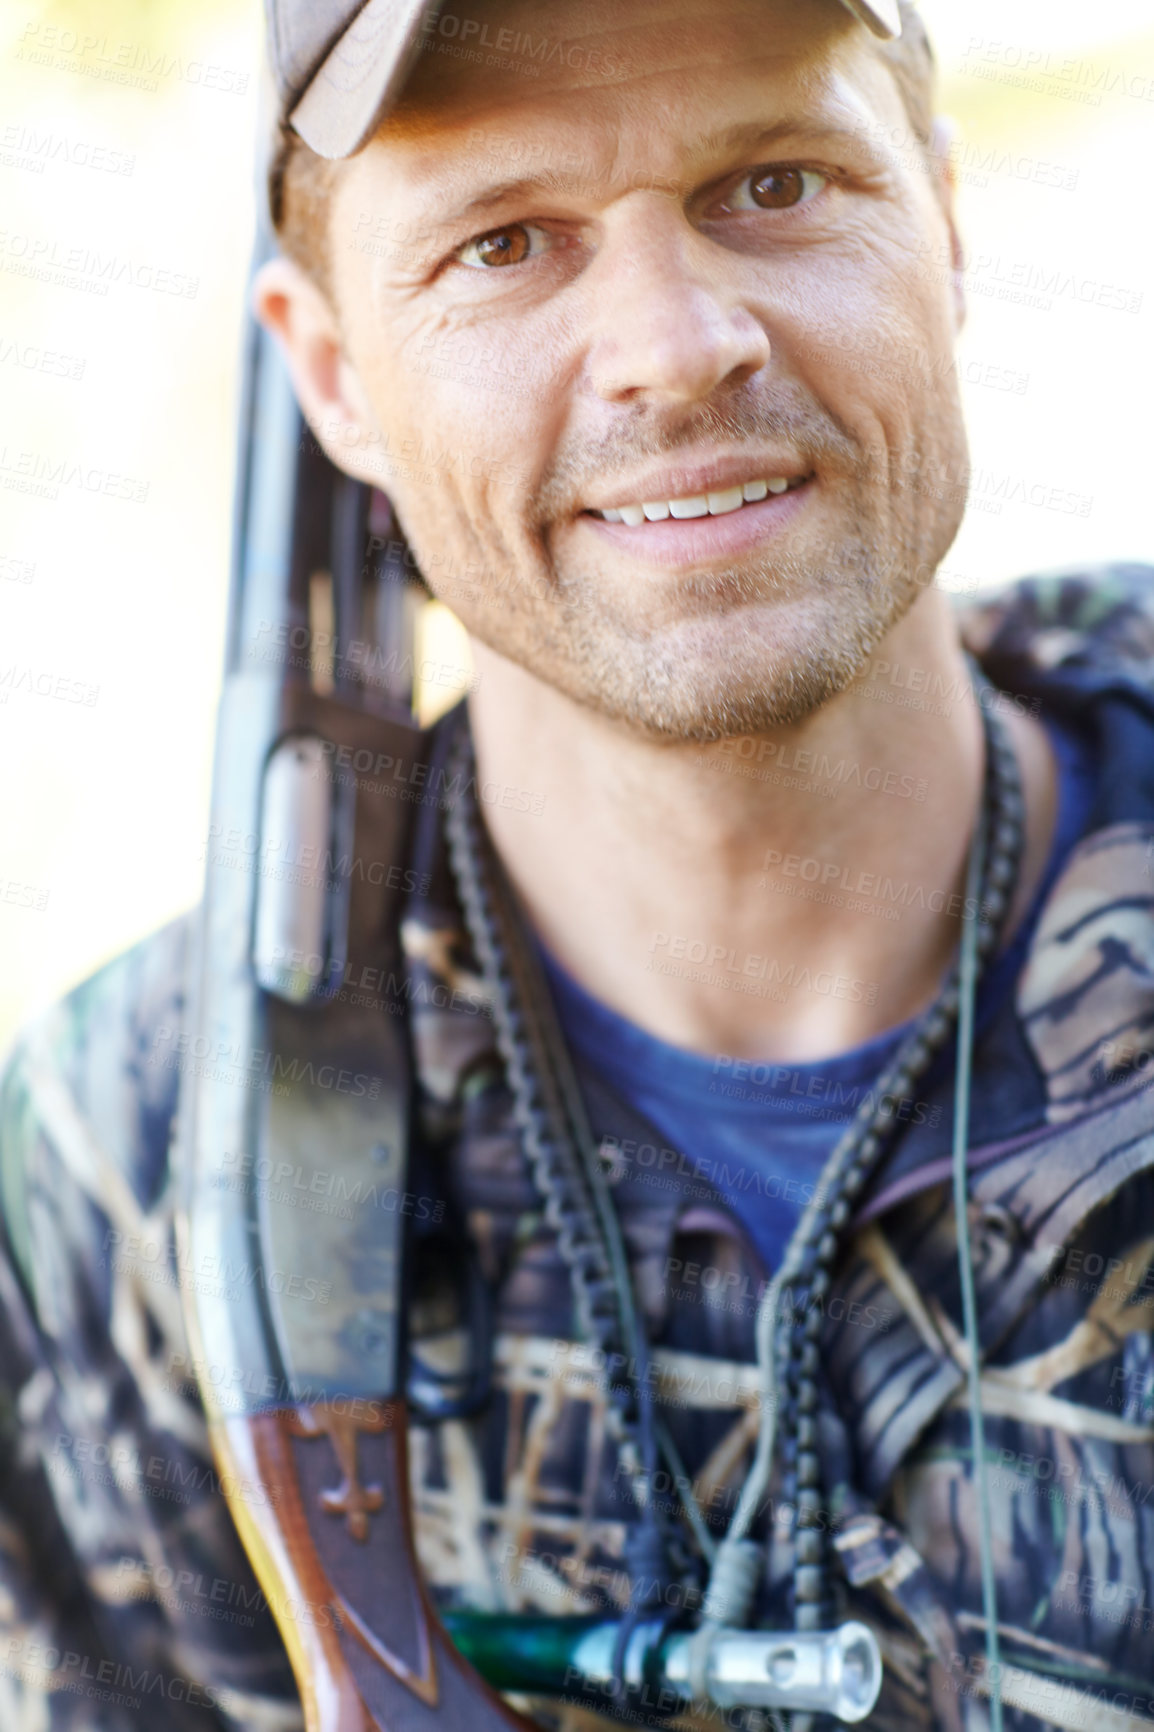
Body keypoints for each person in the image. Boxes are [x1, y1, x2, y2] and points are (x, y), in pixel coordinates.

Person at [2, 0, 1153, 1726]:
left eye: (772, 180)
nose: (676, 346)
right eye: (506, 242)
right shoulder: (134, 1176)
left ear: (944, 225)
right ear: (332, 374)